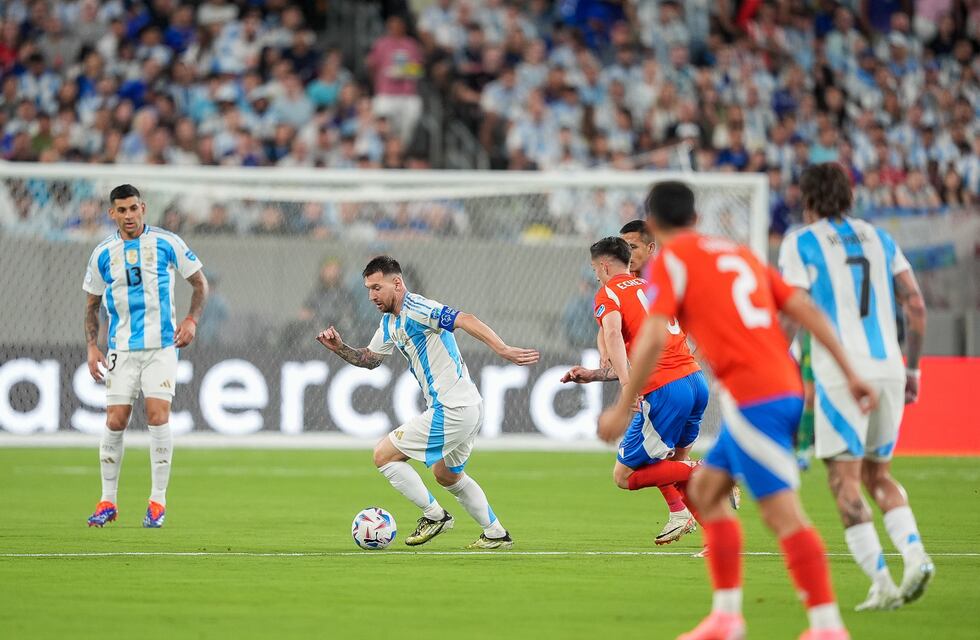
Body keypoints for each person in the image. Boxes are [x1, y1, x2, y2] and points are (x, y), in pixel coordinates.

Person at [598, 181, 878, 640]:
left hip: (757, 396)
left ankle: (827, 626)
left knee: (782, 514)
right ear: (694, 217)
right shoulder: (736, 252)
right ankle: (726, 618)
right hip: (775, 386)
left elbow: (650, 336)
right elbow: (801, 306)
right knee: (707, 491)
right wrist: (850, 370)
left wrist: (621, 407)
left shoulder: (673, 261)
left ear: (653, 225)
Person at [779, 163, 934, 611]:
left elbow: (792, 309)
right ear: (849, 196)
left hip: (842, 373)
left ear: (806, 199)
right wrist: (914, 370)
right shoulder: (879, 238)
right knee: (878, 475)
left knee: (843, 481)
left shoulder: (801, 242)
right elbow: (917, 306)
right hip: (889, 366)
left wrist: (773, 361)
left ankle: (883, 583)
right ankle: (916, 556)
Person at [315, 256, 539, 549]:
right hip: (468, 406)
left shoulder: (419, 308)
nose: (371, 296)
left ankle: (434, 515)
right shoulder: (389, 323)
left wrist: (503, 348)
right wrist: (339, 348)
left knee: (383, 455)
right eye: (368, 289)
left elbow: (465, 319)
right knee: (446, 474)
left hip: (453, 408)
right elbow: (369, 360)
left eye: (377, 287)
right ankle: (495, 534)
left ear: (397, 283)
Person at [561, 236, 709, 546]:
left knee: (624, 475)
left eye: (594, 268)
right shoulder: (651, 286)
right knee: (672, 466)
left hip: (665, 388)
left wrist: (629, 388)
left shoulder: (608, 292)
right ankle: (709, 533)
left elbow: (613, 333)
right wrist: (596, 374)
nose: (595, 275)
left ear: (603, 265)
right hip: (695, 381)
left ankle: (709, 470)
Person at [82, 184, 209, 529]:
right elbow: (92, 305)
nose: (128, 216)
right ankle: (108, 501)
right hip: (121, 349)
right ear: (112, 214)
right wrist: (93, 345)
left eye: (133, 209)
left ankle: (157, 502)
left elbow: (200, 282)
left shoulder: (167, 243)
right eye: (121, 210)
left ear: (143, 208)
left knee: (157, 416)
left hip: (161, 347)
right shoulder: (103, 254)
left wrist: (192, 319)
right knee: (115, 420)